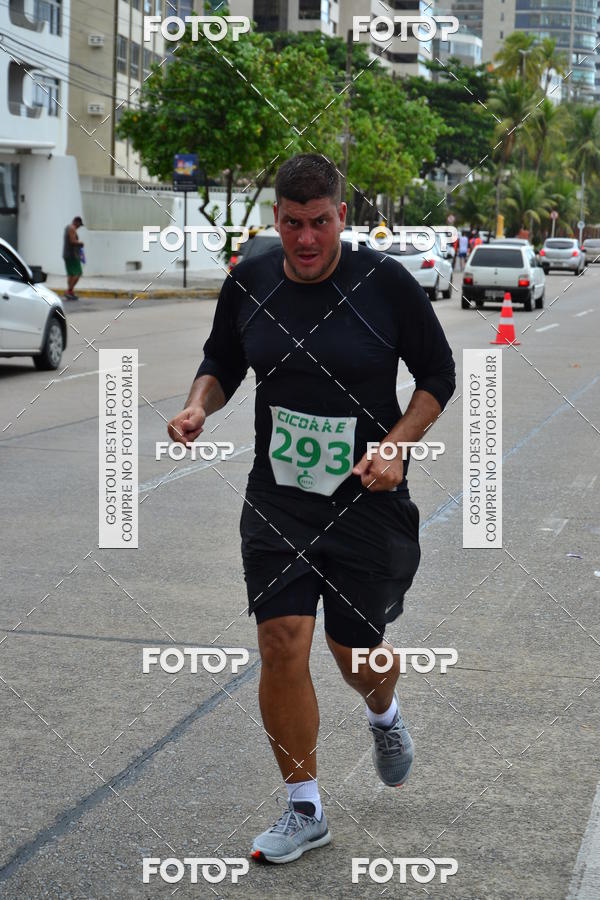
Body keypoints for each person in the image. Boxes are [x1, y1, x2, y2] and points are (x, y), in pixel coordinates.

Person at [168, 154, 455, 865]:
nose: (305, 239)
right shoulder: (251, 279)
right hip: (279, 497)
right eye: (292, 224)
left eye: (319, 223)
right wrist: (199, 403)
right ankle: (305, 810)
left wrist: (395, 445)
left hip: (366, 497)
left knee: (353, 652)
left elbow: (438, 376)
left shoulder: (383, 283)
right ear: (276, 219)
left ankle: (383, 713)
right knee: (282, 642)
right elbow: (223, 359)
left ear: (340, 217)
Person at [63, 216, 85, 301]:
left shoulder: (68, 228)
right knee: (78, 272)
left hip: (67, 254)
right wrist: (80, 243)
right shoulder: (72, 228)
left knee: (71, 274)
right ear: (76, 222)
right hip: (72, 255)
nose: (79, 227)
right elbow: (72, 241)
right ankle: (69, 291)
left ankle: (70, 292)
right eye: (79, 224)